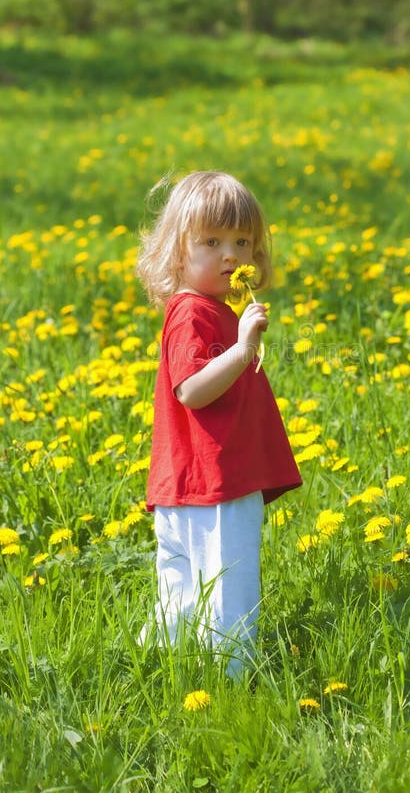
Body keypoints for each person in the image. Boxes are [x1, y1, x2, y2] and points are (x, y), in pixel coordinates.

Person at [136, 170, 302, 677]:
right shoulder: (194, 314)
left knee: (182, 589)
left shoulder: (205, 309)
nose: (230, 255)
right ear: (177, 251)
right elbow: (193, 390)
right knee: (230, 585)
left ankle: (156, 666)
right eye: (211, 241)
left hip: (186, 485)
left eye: (242, 241)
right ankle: (233, 679)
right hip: (216, 482)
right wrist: (243, 348)